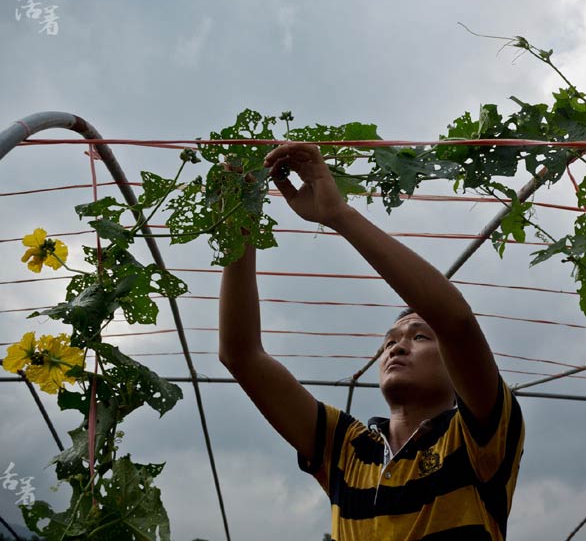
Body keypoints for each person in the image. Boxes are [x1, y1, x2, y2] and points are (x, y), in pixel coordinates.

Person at [219, 142, 525, 540]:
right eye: (389, 342)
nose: (397, 346)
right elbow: (241, 355)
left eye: (419, 336)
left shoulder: (477, 437)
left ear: (455, 365)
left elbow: (456, 322)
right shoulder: (345, 449)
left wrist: (338, 215)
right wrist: (240, 223)